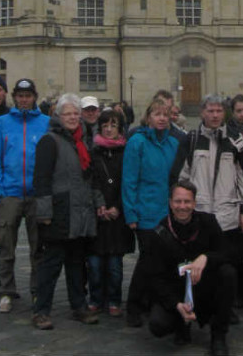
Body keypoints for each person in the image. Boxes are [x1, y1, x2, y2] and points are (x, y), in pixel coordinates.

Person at [178, 94, 243, 321]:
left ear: (225, 113)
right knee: (198, 263)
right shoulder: (190, 139)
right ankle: (198, 304)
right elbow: (181, 176)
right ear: (203, 113)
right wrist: (183, 206)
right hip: (200, 213)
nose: (214, 115)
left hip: (227, 214)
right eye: (210, 111)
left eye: (218, 111)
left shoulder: (235, 140)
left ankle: (226, 307)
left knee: (226, 264)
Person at [136, 181, 236, 356]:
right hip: (175, 291)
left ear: (195, 203)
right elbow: (155, 278)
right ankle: (180, 324)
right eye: (177, 201)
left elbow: (227, 252)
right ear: (170, 202)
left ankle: (218, 335)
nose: (182, 206)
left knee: (227, 273)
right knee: (158, 325)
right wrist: (176, 304)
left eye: (187, 202)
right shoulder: (159, 233)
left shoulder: (208, 222)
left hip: (204, 288)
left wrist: (206, 257)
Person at [32, 93, 99, 330]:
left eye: (75, 113)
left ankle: (78, 306)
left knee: (76, 263)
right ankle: (41, 310)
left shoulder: (82, 141)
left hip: (79, 211)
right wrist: (44, 213)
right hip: (59, 211)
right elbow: (41, 180)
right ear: (58, 116)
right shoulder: (49, 141)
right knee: (51, 264)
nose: (72, 117)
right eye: (67, 113)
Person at [0, 77, 49, 312]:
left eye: (28, 96)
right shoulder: (2, 123)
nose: (24, 99)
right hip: (10, 194)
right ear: (15, 97)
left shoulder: (45, 122)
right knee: (6, 246)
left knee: (38, 248)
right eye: (21, 96)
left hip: (36, 195)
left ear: (34, 97)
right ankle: (6, 290)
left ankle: (37, 290)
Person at [122, 97, 180, 326]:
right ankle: (134, 306)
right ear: (148, 117)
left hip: (168, 214)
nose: (162, 118)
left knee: (163, 262)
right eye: (157, 114)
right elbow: (129, 180)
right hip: (145, 212)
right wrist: (131, 213)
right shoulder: (136, 142)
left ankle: (152, 302)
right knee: (148, 261)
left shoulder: (173, 143)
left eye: (166, 115)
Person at [87, 107, 135, 315]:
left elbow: (129, 182)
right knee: (95, 265)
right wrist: (100, 205)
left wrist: (117, 207)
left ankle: (114, 299)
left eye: (113, 125)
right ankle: (96, 298)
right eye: (104, 125)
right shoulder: (93, 152)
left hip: (118, 216)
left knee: (115, 265)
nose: (108, 130)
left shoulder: (127, 153)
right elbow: (91, 181)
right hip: (97, 215)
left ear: (120, 129)